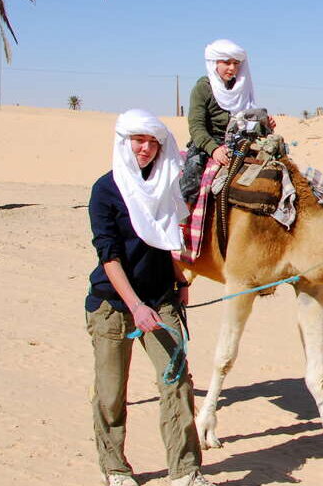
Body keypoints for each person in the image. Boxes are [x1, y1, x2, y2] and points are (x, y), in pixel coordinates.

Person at [86, 109, 214, 486]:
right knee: (111, 392)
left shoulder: (164, 186)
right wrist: (134, 306)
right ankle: (115, 469)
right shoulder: (105, 190)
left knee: (177, 384)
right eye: (138, 141)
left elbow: (164, 242)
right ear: (125, 143)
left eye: (151, 142)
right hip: (113, 305)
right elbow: (108, 254)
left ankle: (186, 472)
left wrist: (181, 282)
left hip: (161, 301)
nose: (145, 149)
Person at [181, 39, 275, 201]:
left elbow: (245, 120)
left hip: (238, 142)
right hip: (208, 144)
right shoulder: (203, 88)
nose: (232, 68)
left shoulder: (240, 88)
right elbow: (196, 127)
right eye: (227, 62)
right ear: (214, 63)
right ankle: (185, 218)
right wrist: (214, 149)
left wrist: (265, 126)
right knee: (192, 179)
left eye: (236, 63)